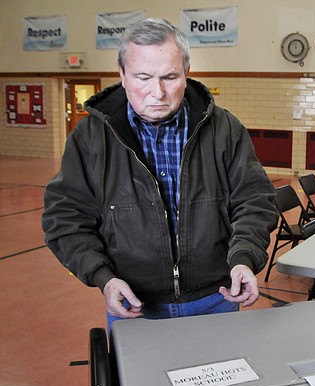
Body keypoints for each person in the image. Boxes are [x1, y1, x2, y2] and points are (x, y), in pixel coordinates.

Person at [42, 18, 278, 328]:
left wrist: (244, 259)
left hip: (216, 299)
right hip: (134, 303)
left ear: (186, 73)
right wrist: (104, 278)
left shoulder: (224, 129)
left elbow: (254, 202)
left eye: (169, 77)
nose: (158, 92)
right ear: (122, 76)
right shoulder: (89, 139)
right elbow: (66, 218)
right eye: (143, 77)